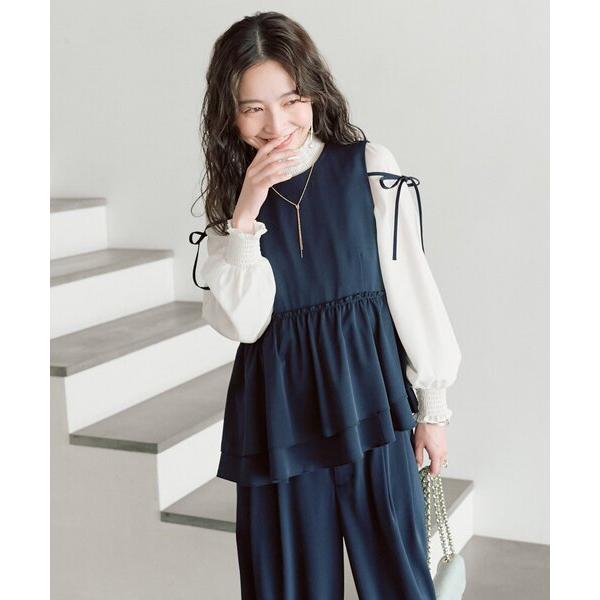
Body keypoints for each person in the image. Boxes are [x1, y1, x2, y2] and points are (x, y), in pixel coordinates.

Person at [193, 10, 462, 600]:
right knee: (286, 586)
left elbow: (412, 286)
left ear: (313, 93)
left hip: (371, 399)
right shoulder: (230, 213)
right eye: (253, 108)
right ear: (229, 115)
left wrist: (434, 408)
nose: (276, 124)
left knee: (398, 581)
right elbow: (245, 324)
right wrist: (246, 213)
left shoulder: (369, 168)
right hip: (276, 417)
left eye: (290, 100)